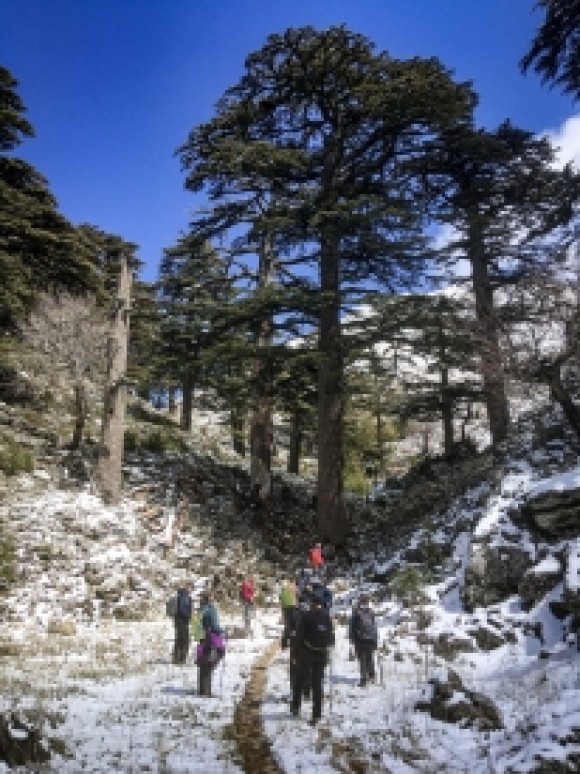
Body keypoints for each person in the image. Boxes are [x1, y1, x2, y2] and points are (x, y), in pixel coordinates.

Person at [291, 587, 334, 726]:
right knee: (317, 684)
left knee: (299, 679)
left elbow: (299, 637)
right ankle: (316, 715)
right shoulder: (326, 616)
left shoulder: (306, 616)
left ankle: (296, 707)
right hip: (321, 653)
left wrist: (295, 654)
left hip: (306, 653)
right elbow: (331, 638)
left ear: (311, 603)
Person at [196, 591, 225, 697]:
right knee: (210, 662)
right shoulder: (211, 608)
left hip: (202, 637)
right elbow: (215, 625)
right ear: (210, 598)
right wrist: (222, 631)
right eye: (212, 596)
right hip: (211, 637)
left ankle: (202, 690)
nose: (214, 597)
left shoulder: (201, 608)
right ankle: (206, 692)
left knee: (204, 663)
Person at [348, 594, 378, 687]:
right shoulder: (370, 612)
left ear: (359, 601)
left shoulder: (356, 612)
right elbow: (374, 626)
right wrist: (375, 639)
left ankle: (363, 679)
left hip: (360, 639)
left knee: (362, 659)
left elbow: (352, 626)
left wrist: (352, 638)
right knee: (370, 658)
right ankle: (372, 676)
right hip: (370, 638)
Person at [172, 583, 193, 665]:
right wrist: (189, 616)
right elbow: (182, 609)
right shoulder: (185, 596)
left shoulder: (179, 596)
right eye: (191, 588)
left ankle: (175, 658)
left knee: (178, 639)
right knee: (185, 640)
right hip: (182, 621)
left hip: (177, 621)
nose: (191, 590)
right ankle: (182, 659)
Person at [279, 578, 298, 647]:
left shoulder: (285, 587)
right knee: (292, 626)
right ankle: (290, 642)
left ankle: (285, 643)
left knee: (288, 626)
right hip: (291, 607)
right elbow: (297, 596)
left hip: (286, 607)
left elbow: (281, 598)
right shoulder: (292, 587)